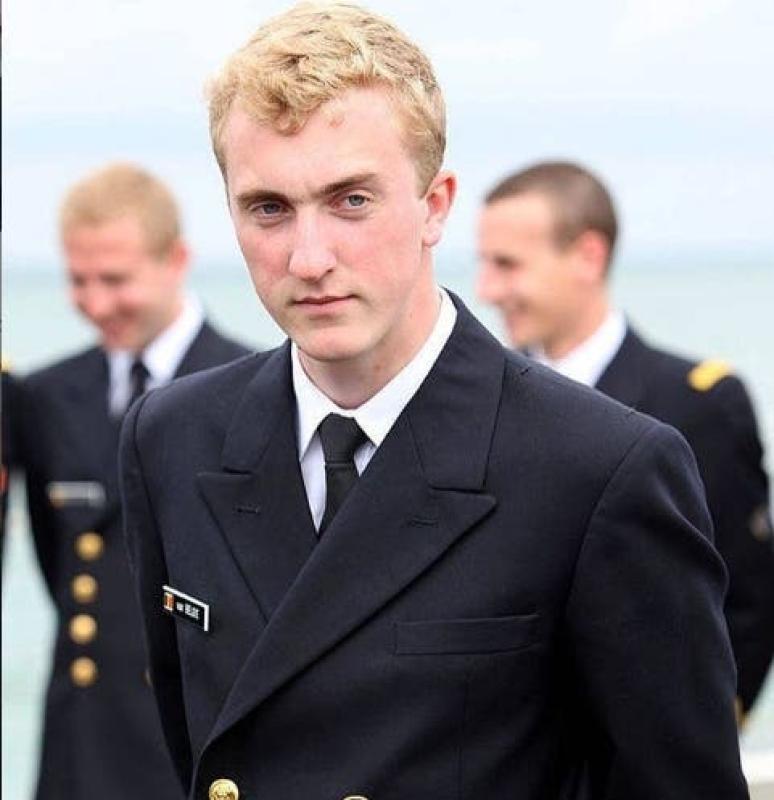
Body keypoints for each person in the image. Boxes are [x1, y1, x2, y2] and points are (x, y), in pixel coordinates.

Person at [120, 5, 748, 799]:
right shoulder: (172, 437)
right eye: (268, 207)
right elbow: (189, 745)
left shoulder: (598, 469)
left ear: (436, 205)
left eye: (351, 200)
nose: (308, 258)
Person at [477, 159, 774, 720]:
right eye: (485, 263)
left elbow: (748, 599)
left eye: (507, 264)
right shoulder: (482, 398)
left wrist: (699, 735)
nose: (486, 289)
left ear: (588, 257)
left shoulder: (698, 404)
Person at [20, 162, 251, 800]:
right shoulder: (46, 395)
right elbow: (57, 561)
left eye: (116, 280)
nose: (96, 304)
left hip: (192, 742)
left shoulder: (250, 387)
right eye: (79, 280)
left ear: (175, 260)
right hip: (82, 741)